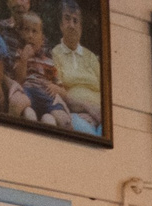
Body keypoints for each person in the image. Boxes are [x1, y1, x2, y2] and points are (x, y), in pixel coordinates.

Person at [50, 2, 101, 133]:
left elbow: (105, 92)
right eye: (67, 19)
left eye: (75, 20)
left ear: (81, 28)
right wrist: (88, 107)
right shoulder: (55, 54)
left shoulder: (91, 57)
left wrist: (97, 116)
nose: (71, 25)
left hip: (99, 115)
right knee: (87, 133)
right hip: (74, 113)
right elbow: (60, 92)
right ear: (61, 25)